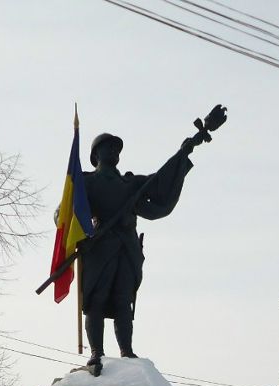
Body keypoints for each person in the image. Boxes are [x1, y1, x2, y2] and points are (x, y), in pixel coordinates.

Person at [80, 132, 196, 368]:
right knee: (97, 301)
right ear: (95, 154)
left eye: (117, 148)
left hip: (127, 248)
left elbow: (160, 185)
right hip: (100, 249)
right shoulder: (86, 182)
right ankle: (96, 353)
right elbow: (63, 212)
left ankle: (127, 352)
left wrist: (183, 153)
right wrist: (74, 230)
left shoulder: (130, 184)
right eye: (108, 147)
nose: (114, 151)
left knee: (124, 301)